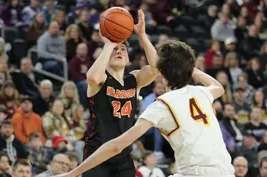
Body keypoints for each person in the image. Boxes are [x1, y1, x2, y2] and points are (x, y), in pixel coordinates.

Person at [52, 40, 235, 177]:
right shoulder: (201, 93)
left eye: (123, 48)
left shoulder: (163, 104)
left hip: (192, 172)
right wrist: (189, 68)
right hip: (226, 170)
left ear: (161, 73)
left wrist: (72, 173)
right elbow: (218, 86)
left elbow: (117, 145)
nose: (119, 51)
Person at [79, 10, 158, 177]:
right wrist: (109, 45)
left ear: (128, 58)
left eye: (123, 48)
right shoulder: (100, 80)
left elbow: (156, 68)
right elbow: (92, 78)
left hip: (123, 156)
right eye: (115, 49)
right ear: (105, 56)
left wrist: (142, 36)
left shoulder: (134, 80)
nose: (119, 51)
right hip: (97, 154)